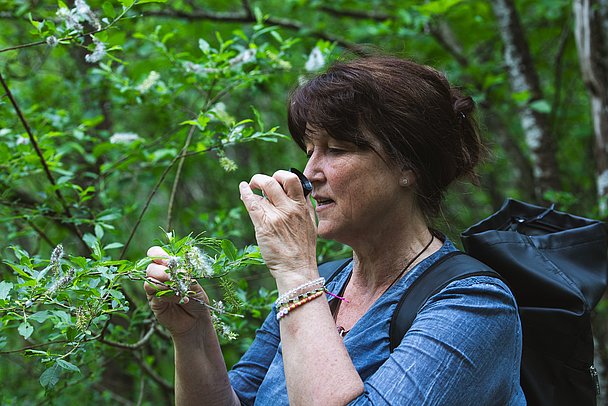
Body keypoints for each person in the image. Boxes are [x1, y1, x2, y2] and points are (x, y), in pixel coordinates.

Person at [144, 54, 526, 405]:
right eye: (309, 150)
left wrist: (295, 271)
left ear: (409, 166)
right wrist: (192, 335)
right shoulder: (324, 285)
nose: (309, 173)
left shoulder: (474, 304)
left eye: (337, 149)